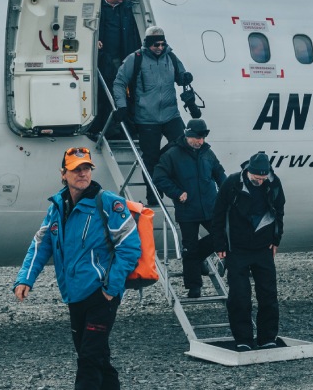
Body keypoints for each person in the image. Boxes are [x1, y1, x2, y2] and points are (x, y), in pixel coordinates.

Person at [13, 147, 141, 390]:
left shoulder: (108, 203)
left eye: (86, 168)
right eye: (76, 169)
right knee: (98, 359)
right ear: (63, 174)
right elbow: (40, 244)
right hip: (74, 296)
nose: (83, 174)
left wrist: (111, 286)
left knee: (89, 359)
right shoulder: (57, 207)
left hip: (101, 295)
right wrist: (25, 279)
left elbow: (129, 246)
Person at [212, 152, 286, 351]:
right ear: (248, 171)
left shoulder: (273, 183)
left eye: (263, 178)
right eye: (256, 178)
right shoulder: (232, 183)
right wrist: (220, 244)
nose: (260, 181)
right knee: (239, 296)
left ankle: (267, 337)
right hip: (237, 249)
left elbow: (279, 211)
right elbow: (218, 213)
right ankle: (243, 339)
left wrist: (276, 239)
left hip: (263, 248)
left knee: (268, 294)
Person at [113, 25, 193, 202]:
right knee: (150, 159)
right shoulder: (136, 59)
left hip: (171, 114)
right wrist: (122, 106)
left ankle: (173, 181)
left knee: (183, 146)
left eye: (162, 44)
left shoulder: (171, 57)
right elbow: (119, 83)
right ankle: (153, 195)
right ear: (148, 44)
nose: (159, 48)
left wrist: (186, 77)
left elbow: (181, 77)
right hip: (146, 118)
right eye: (156, 45)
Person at [153, 118, 227, 299]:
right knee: (190, 247)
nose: (201, 142)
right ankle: (194, 288)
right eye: (197, 138)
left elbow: (219, 173)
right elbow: (159, 177)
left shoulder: (207, 153)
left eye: (203, 138)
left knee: (224, 235)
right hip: (187, 210)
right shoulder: (172, 154)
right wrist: (177, 193)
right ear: (188, 135)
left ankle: (201, 257)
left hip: (210, 206)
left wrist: (224, 194)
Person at [92, 0, 141, 140]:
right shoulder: (97, 8)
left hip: (123, 57)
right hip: (105, 57)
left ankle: (121, 127)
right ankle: (107, 127)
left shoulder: (125, 7)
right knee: (108, 92)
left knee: (123, 92)